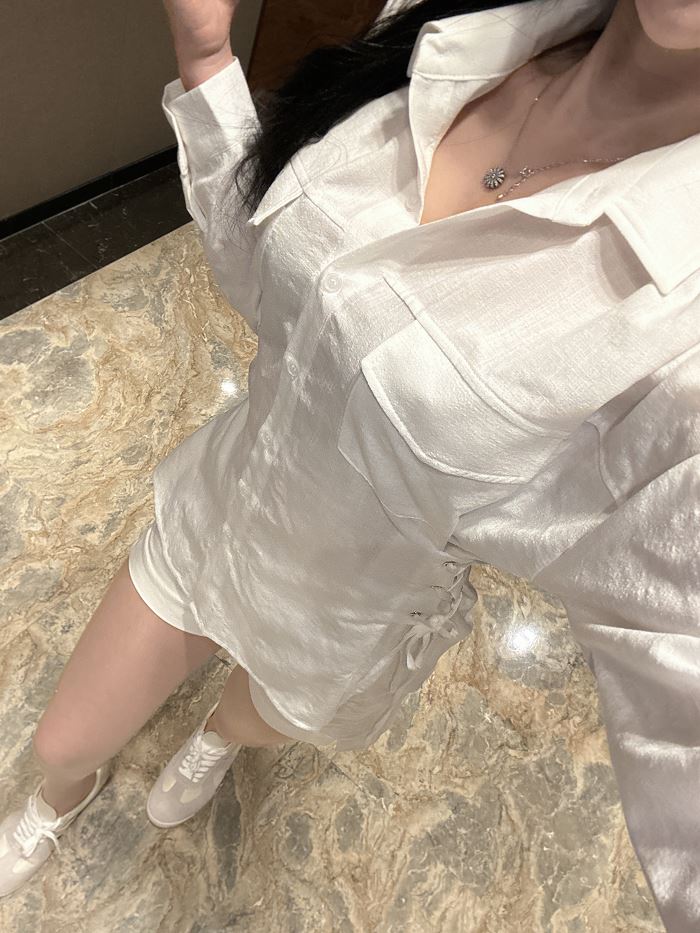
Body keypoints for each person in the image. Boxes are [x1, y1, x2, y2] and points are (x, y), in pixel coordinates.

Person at [1, 0, 698, 926]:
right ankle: (59, 797)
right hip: (225, 501)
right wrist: (206, 62)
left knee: (251, 716)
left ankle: (215, 738)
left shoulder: (681, 334)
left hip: (345, 612)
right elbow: (273, 279)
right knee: (62, 740)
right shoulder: (455, 27)